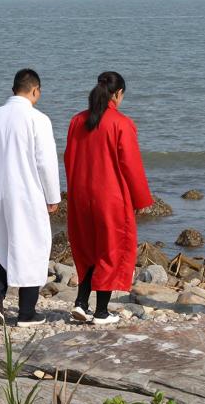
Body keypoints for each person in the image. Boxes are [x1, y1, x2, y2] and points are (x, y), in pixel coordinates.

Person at [63, 71, 152, 325]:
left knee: (86, 249)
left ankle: (81, 303)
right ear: (118, 94)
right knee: (111, 250)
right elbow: (131, 165)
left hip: (81, 195)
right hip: (111, 197)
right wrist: (141, 199)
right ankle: (101, 311)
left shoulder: (77, 121)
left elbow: (69, 158)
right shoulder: (121, 123)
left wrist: (74, 189)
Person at [0, 68, 61, 328]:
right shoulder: (38, 119)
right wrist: (53, 195)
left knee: (6, 245)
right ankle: (27, 312)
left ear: (13, 89)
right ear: (35, 90)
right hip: (28, 192)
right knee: (33, 248)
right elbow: (45, 162)